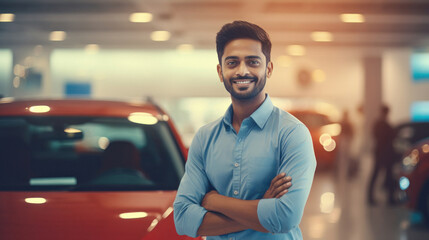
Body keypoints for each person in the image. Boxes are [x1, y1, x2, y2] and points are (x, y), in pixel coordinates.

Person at [173, 21, 317, 239]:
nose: (242, 71)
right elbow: (183, 219)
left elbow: (285, 217)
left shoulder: (292, 134)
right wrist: (261, 209)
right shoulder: (204, 138)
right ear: (221, 72)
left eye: (253, 62)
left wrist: (216, 201)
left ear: (268, 68)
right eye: (232, 63)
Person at [367, 105, 396, 205]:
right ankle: (389, 198)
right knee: (386, 175)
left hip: (380, 153)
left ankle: (371, 197)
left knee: (379, 175)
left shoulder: (378, 124)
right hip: (384, 153)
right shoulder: (384, 125)